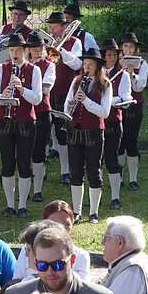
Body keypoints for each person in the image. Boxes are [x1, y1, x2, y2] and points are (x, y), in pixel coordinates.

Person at [0, 33, 43, 217]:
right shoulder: (0, 69)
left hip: (26, 122)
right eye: (12, 50)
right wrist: (3, 96)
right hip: (4, 122)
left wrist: (21, 89)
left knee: (24, 163)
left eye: (18, 50)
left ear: (25, 51)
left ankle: (22, 205)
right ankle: (10, 204)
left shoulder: (34, 70)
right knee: (7, 163)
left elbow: (37, 99)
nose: (15, 54)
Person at [65, 48, 111, 223]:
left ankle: (93, 212)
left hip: (93, 132)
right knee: (75, 171)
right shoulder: (77, 81)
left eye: (90, 64)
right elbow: (67, 104)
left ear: (98, 66)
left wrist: (85, 101)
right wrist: (70, 105)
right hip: (75, 131)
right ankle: (76, 212)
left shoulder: (106, 84)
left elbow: (104, 112)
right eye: (85, 64)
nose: (86, 67)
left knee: (94, 171)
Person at [0, 0, 34, 155]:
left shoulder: (29, 33)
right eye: (14, 14)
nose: (16, 17)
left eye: (20, 15)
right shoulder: (4, 28)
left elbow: (30, 55)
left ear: (25, 17)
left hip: (20, 72)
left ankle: (16, 139)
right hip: (2, 70)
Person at [45, 12, 83, 185]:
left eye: (54, 26)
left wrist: (61, 51)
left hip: (65, 91)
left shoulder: (75, 42)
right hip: (48, 91)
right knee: (46, 129)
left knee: (63, 131)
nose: (51, 30)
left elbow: (77, 64)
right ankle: (41, 168)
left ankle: (65, 170)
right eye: (50, 26)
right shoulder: (48, 43)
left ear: (63, 27)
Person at [12, 200, 90, 281]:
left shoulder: (81, 255)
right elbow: (16, 281)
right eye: (55, 224)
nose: (61, 229)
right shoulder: (28, 249)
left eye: (66, 224)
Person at [100, 39, 129, 211]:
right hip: (97, 123)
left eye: (112, 54)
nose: (109, 57)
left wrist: (108, 100)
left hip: (113, 123)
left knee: (112, 160)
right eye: (106, 54)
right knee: (95, 162)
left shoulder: (123, 74)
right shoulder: (98, 73)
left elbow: (125, 97)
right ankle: (96, 196)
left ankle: (115, 197)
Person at [117, 33, 148, 191]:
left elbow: (139, 87)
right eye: (125, 46)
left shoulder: (142, 64)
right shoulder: (116, 62)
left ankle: (133, 179)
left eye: (130, 46)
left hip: (134, 107)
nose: (127, 49)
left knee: (132, 141)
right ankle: (119, 177)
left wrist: (131, 74)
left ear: (136, 49)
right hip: (119, 105)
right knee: (119, 142)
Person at [27, 31, 56, 203]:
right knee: (25, 151)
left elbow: (46, 88)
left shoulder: (49, 65)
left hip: (42, 111)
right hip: (24, 113)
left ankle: (37, 189)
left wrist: (25, 88)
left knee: (38, 151)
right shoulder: (22, 65)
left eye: (40, 49)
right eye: (34, 49)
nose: (38, 52)